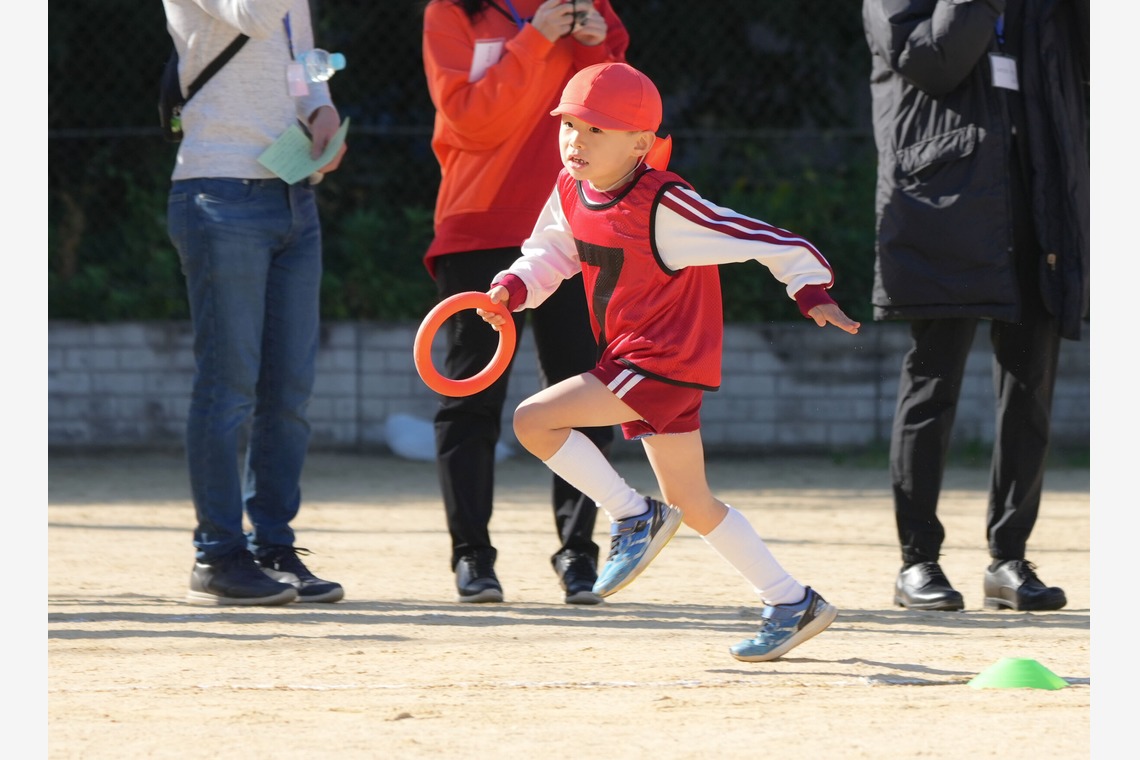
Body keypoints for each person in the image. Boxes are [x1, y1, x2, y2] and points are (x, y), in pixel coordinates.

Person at [476, 61, 862, 661]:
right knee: (696, 503)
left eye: (595, 130)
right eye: (569, 125)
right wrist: (513, 288)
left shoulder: (667, 205)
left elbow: (767, 239)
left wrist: (809, 288)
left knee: (533, 419)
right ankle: (791, 602)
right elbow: (550, 253)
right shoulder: (568, 189)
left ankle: (633, 515)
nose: (576, 140)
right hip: (643, 363)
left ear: (641, 144)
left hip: (660, 360)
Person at [862, 0, 1089, 611]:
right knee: (932, 383)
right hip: (945, 206)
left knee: (1030, 386)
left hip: (1038, 199)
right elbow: (932, 63)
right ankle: (918, 562)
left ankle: (1008, 558)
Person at [420, 0, 627, 605]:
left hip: (576, 225)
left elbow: (618, 129)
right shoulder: (450, 12)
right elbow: (468, 121)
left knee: (582, 396)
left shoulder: (591, 9)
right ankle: (472, 557)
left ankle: (580, 555)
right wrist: (534, 41)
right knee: (469, 398)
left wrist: (592, 47)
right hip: (478, 225)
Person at [163, 0, 348, 605]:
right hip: (218, 189)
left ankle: (272, 545)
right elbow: (254, 17)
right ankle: (217, 555)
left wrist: (320, 108)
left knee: (288, 390)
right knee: (229, 388)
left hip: (293, 189)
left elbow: (299, 62)